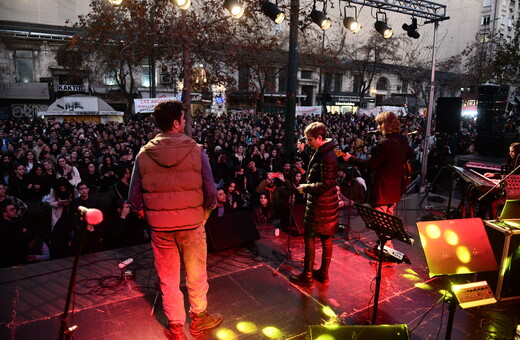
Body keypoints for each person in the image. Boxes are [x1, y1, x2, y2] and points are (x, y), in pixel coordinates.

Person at [128, 100, 221, 340]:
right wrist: (206, 213)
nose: (186, 122)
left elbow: (134, 198)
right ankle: (199, 320)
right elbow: (211, 191)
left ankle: (176, 328)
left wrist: (148, 216)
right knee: (196, 275)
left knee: (168, 280)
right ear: (176, 122)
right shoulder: (196, 150)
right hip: (192, 224)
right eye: (184, 118)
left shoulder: (144, 153)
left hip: (161, 229)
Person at [290, 122, 338, 288]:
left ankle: (307, 275)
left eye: (310, 139)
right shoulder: (324, 151)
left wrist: (305, 187)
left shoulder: (328, 156)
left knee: (310, 237)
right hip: (326, 204)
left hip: (320, 205)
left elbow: (325, 184)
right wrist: (304, 153)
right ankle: (323, 274)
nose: (307, 142)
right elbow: (315, 169)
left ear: (320, 137)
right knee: (326, 238)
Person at [342, 111, 414, 216]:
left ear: (385, 125)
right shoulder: (402, 139)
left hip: (383, 189)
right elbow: (410, 154)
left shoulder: (384, 144)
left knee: (381, 220)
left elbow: (370, 164)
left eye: (379, 124)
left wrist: (350, 159)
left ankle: (386, 233)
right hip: (395, 187)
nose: (378, 127)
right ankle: (389, 233)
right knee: (390, 218)